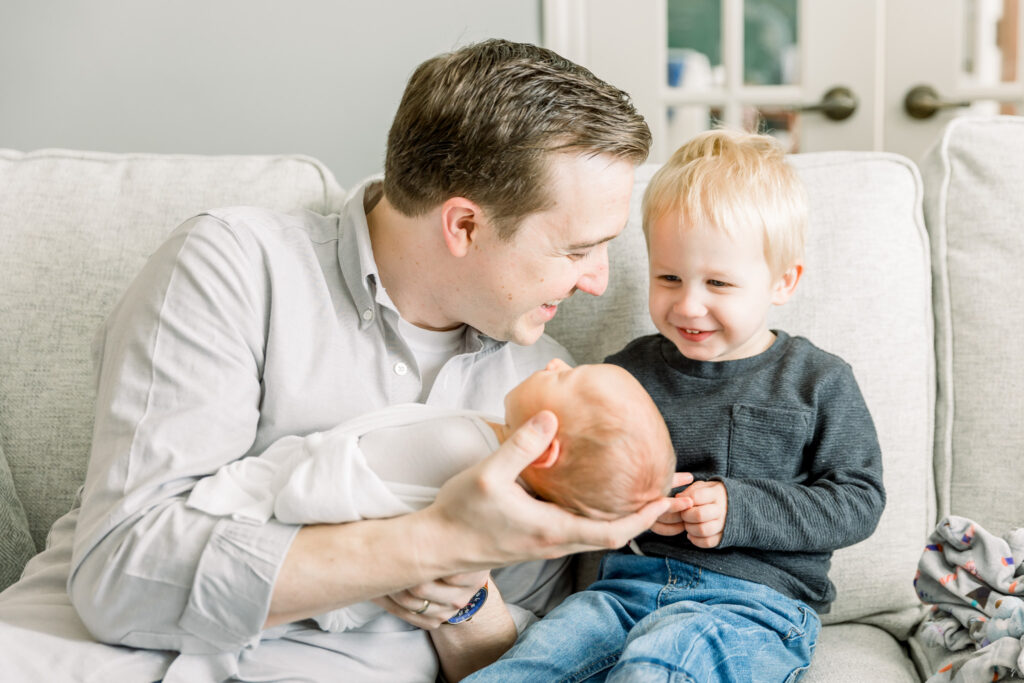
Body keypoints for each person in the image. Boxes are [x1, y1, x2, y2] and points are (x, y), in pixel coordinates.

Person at [0, 39, 669, 683]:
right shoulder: (233, 270)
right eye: (580, 248)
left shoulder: (548, 395)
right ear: (464, 225)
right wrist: (433, 541)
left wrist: (467, 598)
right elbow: (122, 575)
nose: (598, 282)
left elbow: (530, 664)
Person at [466, 128, 887, 682]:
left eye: (718, 282)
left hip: (754, 609)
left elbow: (858, 500)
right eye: (669, 277)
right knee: (531, 663)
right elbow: (579, 481)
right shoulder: (625, 372)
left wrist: (739, 509)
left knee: (659, 666)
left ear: (783, 281)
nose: (688, 304)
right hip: (622, 593)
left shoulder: (818, 381)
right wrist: (636, 506)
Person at [185, 358, 677, 634]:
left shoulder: (458, 448)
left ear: (544, 447)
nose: (554, 361)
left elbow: (310, 491)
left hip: (267, 532)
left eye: (565, 377)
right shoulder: (518, 503)